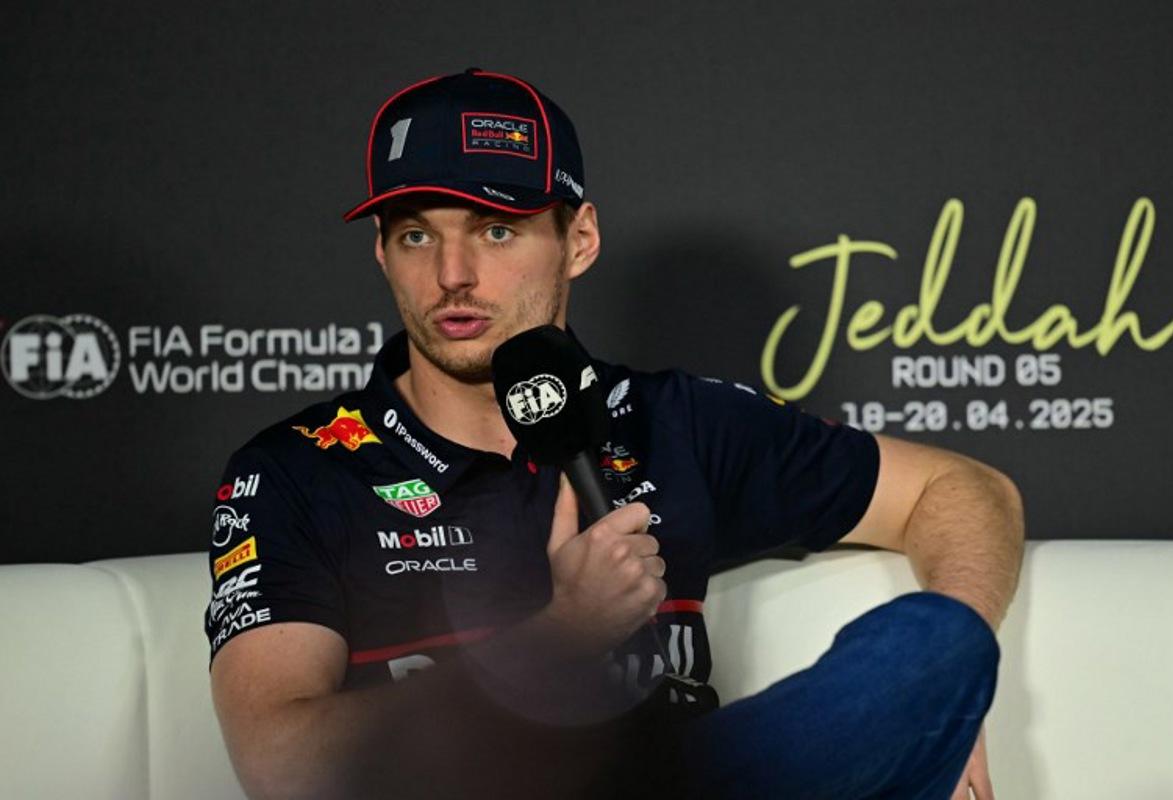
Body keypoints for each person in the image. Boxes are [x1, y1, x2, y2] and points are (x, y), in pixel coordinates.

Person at [206, 68, 1025, 800]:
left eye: (496, 230)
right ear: (383, 255)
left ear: (580, 240)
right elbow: (279, 766)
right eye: (417, 234)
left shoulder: (674, 423)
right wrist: (557, 635)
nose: (452, 273)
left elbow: (967, 491)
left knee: (934, 647)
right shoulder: (298, 472)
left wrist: (952, 709)